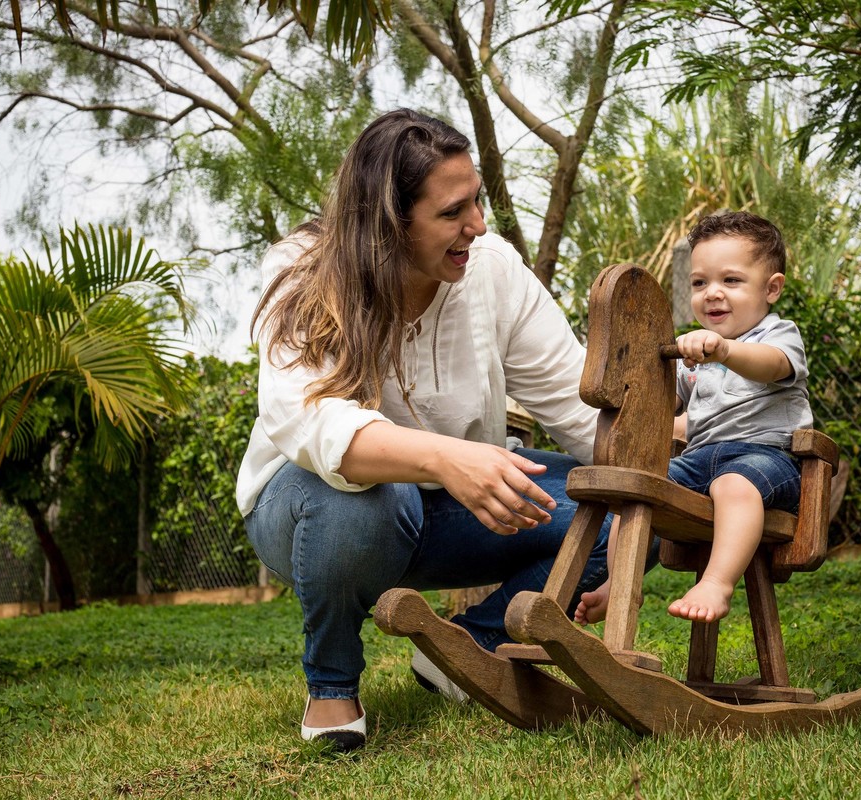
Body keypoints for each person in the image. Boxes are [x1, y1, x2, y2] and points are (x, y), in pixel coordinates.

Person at [236, 109, 609, 752]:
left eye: (478, 202)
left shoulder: (492, 269)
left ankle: (466, 651)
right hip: (313, 510)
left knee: (620, 509)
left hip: (457, 510)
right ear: (390, 224)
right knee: (369, 500)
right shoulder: (304, 270)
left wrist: (693, 461)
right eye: (452, 213)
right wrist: (444, 459)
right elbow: (308, 422)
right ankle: (332, 685)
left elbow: (578, 405)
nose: (478, 225)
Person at [574, 211, 813, 626]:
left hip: (767, 462)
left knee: (734, 485)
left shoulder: (777, 335)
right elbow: (675, 413)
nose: (712, 294)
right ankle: (619, 585)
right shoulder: (693, 352)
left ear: (772, 288)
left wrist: (723, 350)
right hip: (699, 460)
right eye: (700, 282)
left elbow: (771, 366)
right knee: (638, 489)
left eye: (731, 281)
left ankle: (718, 584)